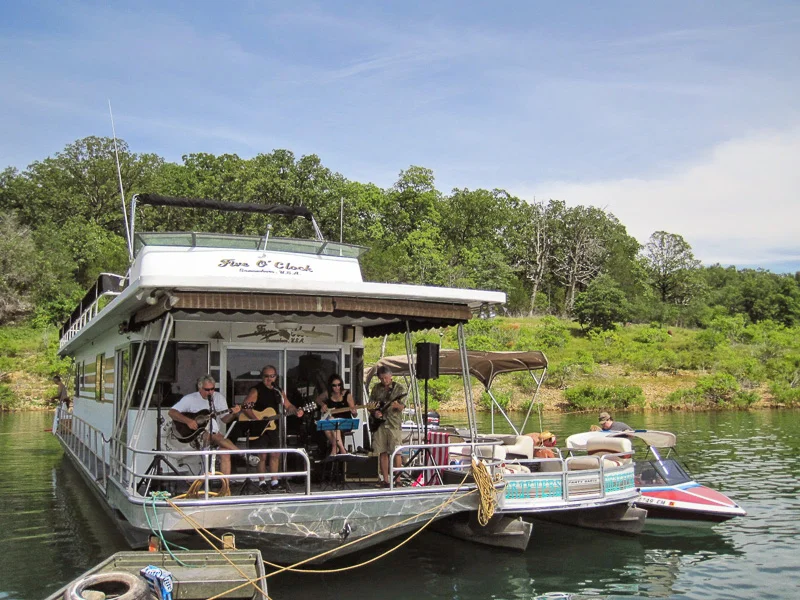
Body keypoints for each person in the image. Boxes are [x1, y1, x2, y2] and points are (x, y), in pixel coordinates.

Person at [242, 365, 305, 493]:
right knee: (262, 455)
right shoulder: (256, 390)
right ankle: (262, 482)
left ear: (276, 377)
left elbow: (287, 405)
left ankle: (275, 482)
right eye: (266, 376)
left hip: (273, 426)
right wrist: (258, 420)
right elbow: (245, 407)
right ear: (262, 377)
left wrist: (296, 410)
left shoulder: (278, 391)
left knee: (275, 453)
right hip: (259, 427)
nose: (269, 379)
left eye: (272, 376)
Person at [168, 375, 240, 475]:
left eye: (212, 389)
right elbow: (172, 412)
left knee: (225, 453)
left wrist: (234, 413)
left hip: (215, 435)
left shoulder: (219, 398)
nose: (210, 392)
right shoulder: (190, 398)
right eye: (207, 389)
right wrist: (188, 421)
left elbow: (225, 419)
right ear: (200, 388)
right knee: (213, 435)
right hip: (195, 437)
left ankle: (225, 488)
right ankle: (242, 454)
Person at [369, 366, 406, 487]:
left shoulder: (399, 388)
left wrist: (397, 406)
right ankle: (385, 480)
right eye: (381, 378)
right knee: (382, 452)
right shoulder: (376, 388)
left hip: (393, 424)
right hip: (380, 424)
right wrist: (375, 412)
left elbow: (402, 407)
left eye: (386, 378)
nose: (384, 380)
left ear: (391, 376)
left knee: (396, 452)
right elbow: (371, 405)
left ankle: (398, 480)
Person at [315, 373, 356, 456]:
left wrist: (354, 412)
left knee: (331, 423)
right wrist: (323, 405)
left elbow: (354, 414)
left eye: (339, 385)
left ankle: (335, 448)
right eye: (334, 385)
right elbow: (317, 399)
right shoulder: (328, 394)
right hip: (333, 423)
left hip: (346, 423)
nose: (337, 387)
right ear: (330, 386)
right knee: (329, 425)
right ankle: (341, 448)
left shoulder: (347, 395)